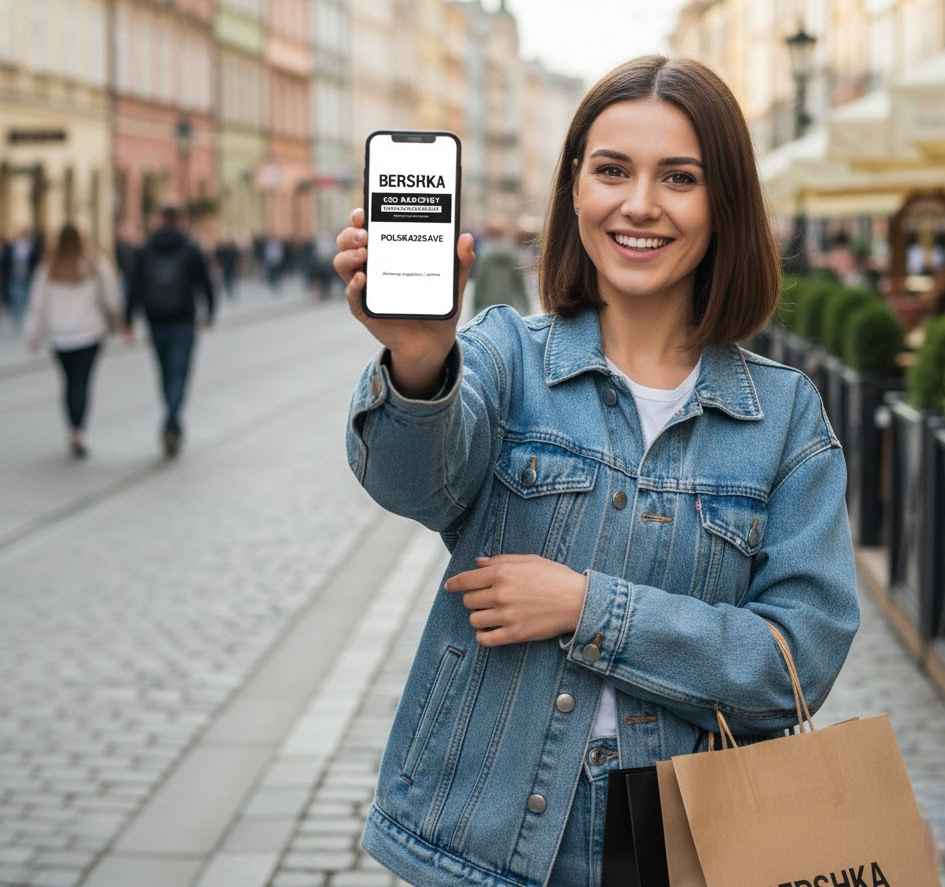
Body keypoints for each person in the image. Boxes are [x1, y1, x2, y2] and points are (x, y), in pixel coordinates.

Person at [334, 55, 859, 887]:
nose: (640, 203)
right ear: (575, 188)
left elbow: (798, 662)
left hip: (687, 849)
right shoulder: (507, 359)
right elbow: (413, 482)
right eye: (612, 170)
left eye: (678, 178)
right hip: (481, 841)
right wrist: (421, 355)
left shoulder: (784, 419)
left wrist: (587, 608)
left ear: (723, 202)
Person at [23, 223, 123, 458]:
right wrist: (117, 320)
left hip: (60, 337)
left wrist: (33, 336)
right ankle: (78, 430)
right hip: (88, 334)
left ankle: (71, 428)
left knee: (68, 383)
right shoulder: (95, 265)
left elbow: (38, 305)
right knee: (82, 383)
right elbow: (111, 297)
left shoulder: (48, 268)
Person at [126, 203, 215, 457]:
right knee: (180, 374)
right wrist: (210, 311)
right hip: (184, 321)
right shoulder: (190, 248)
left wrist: (128, 319)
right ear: (180, 220)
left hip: (155, 320)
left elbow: (134, 285)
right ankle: (171, 424)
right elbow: (205, 283)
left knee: (165, 374)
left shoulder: (145, 249)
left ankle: (171, 422)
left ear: (158, 220)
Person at [470, 212, 532, 315]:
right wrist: (526, 308)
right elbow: (520, 284)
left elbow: (479, 283)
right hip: (507, 304)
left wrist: (474, 308)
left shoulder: (484, 255)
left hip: (486, 306)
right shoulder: (513, 254)